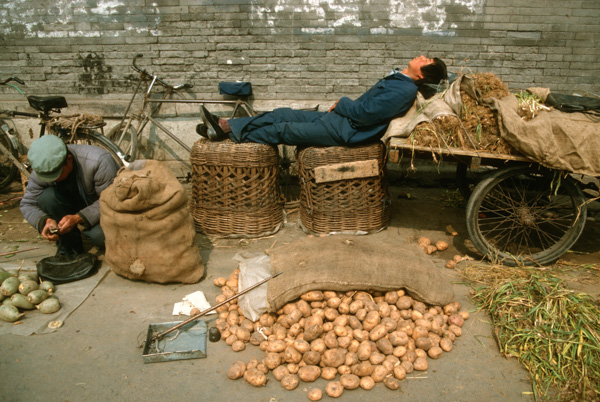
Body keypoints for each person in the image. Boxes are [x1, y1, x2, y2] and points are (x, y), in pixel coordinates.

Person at [197, 55, 447, 147]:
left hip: (345, 131)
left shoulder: (402, 91)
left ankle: (226, 134)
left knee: (283, 129)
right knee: (281, 112)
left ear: (421, 74)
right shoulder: (400, 81)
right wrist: (342, 108)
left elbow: (365, 114)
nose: (421, 56)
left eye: (426, 61)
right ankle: (225, 126)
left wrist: (342, 102)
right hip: (338, 120)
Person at [20, 135, 120, 256]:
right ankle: (70, 246)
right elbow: (27, 204)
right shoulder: (42, 169)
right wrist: (44, 221)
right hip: (70, 203)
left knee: (100, 238)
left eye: (57, 174)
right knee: (47, 198)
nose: (54, 179)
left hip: (102, 209)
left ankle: (87, 232)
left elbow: (111, 201)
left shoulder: (99, 161)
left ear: (69, 159)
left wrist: (79, 218)